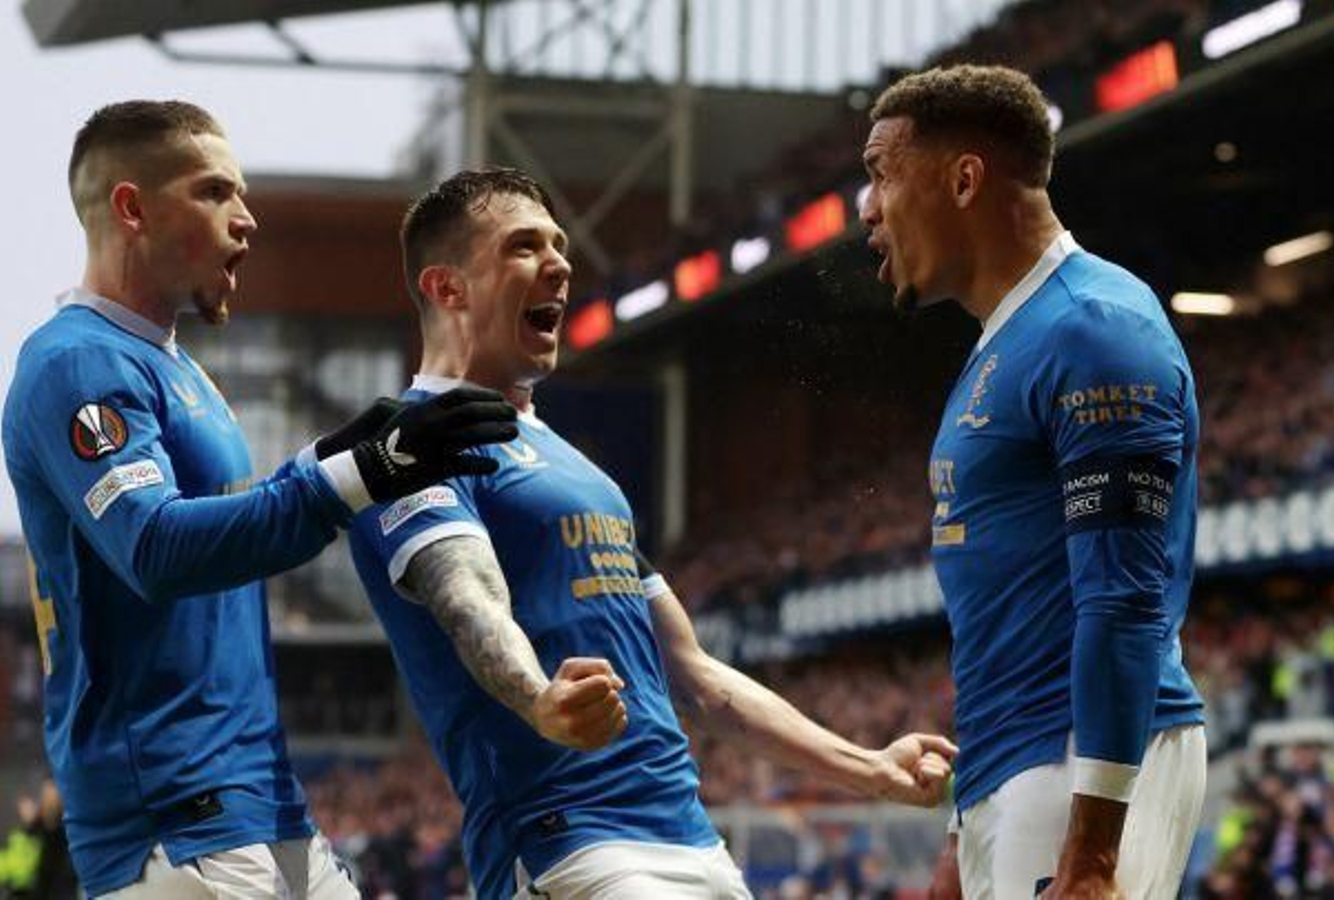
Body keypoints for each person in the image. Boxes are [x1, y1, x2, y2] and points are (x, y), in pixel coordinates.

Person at [345, 167, 959, 899]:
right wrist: (540, 697)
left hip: (691, 841)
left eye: (560, 244)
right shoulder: (405, 448)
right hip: (570, 845)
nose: (560, 264)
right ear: (448, 288)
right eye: (523, 247)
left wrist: (871, 768)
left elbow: (694, 675)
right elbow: (468, 602)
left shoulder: (579, 473)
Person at [2, 100, 518, 898]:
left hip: (253, 804)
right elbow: (157, 547)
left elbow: (246, 508)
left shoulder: (174, 367)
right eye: (216, 193)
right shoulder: (75, 364)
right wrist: (358, 472)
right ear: (132, 208)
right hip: (176, 817)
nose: (247, 220)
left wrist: (344, 452)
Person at [858, 65, 1207, 899]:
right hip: (1013, 768)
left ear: (964, 178)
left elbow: (1123, 599)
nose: (867, 209)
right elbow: (1009, 615)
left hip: (1076, 768)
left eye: (881, 174)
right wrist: (964, 828)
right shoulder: (1004, 343)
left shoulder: (1094, 330)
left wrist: (1090, 854)